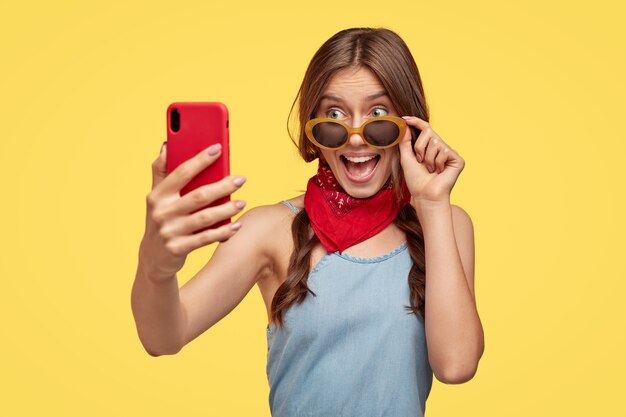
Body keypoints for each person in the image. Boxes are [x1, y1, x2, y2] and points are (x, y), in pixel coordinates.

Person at [131, 27, 484, 417]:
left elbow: (456, 365)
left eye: (378, 115)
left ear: (411, 124)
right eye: (334, 115)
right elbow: (162, 337)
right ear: (312, 129)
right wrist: (155, 265)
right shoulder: (269, 230)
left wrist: (432, 205)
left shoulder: (446, 224)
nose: (355, 138)